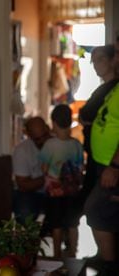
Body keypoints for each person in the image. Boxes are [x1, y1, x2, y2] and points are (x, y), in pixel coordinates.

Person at [84, 34, 119, 275]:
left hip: (113, 165)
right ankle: (107, 261)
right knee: (103, 212)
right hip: (103, 162)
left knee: (96, 209)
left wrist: (115, 166)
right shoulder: (113, 88)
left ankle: (110, 268)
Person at [39, 104, 84, 258]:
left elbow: (44, 168)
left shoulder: (50, 145)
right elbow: (80, 167)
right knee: (72, 224)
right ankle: (73, 253)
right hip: (73, 192)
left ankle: (57, 254)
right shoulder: (77, 144)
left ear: (54, 123)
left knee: (56, 224)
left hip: (54, 192)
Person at [78, 44, 119, 208]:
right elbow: (84, 115)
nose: (96, 64)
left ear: (113, 60)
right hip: (98, 157)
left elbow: (87, 115)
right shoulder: (102, 88)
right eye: (93, 61)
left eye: (100, 59)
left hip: (110, 160)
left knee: (96, 209)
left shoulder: (114, 88)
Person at [12, 117, 51, 225]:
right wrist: (48, 178)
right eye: (38, 139)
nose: (43, 140)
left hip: (53, 192)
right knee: (24, 213)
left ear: (48, 129)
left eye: (45, 135)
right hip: (29, 193)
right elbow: (23, 185)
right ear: (29, 136)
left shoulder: (57, 144)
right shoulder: (22, 150)